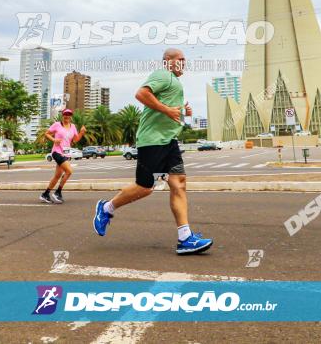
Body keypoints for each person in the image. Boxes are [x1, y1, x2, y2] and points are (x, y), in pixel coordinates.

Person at [93, 48, 213, 255]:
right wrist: (167, 109)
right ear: (168, 61)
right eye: (180, 59)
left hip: (169, 141)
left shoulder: (174, 82)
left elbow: (169, 113)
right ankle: (106, 209)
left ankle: (185, 238)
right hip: (153, 141)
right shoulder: (162, 74)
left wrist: (184, 112)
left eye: (185, 60)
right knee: (145, 187)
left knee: (179, 182)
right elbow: (141, 94)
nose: (184, 63)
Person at [40, 109, 85, 204]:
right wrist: (54, 140)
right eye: (65, 114)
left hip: (66, 153)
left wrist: (81, 133)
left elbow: (75, 140)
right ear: (62, 115)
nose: (67, 116)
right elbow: (47, 133)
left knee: (57, 176)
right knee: (69, 171)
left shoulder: (73, 126)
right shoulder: (57, 124)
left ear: (71, 116)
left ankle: (45, 194)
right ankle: (58, 192)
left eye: (69, 114)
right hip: (57, 152)